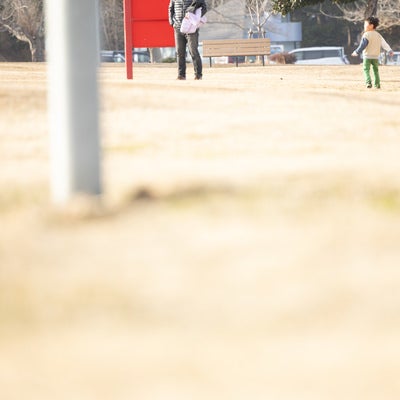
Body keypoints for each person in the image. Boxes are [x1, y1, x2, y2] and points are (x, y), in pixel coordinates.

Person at [168, 0, 207, 80]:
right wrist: (172, 22)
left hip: (191, 28)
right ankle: (181, 75)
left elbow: (204, 8)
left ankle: (198, 75)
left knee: (193, 51)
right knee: (180, 52)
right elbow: (170, 9)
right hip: (178, 28)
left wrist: (195, 18)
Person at [351, 16, 393, 89]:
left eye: (365, 24)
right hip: (376, 57)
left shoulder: (366, 35)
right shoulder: (378, 35)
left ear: (371, 26)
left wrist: (356, 52)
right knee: (375, 71)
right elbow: (384, 44)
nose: (364, 26)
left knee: (366, 69)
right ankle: (377, 85)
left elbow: (363, 45)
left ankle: (368, 83)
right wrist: (389, 50)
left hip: (367, 56)